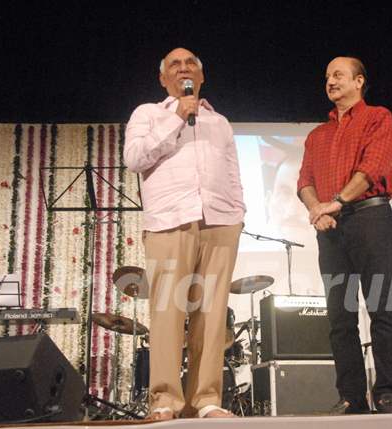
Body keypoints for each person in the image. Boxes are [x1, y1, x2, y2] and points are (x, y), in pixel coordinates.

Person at [124, 47, 245, 420]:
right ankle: (165, 401)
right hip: (168, 222)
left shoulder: (219, 122)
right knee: (168, 313)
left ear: (201, 76)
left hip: (220, 222)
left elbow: (231, 172)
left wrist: (238, 215)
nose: (183, 68)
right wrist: (177, 117)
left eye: (190, 63)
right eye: (174, 65)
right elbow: (134, 159)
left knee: (211, 315)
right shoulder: (148, 114)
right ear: (164, 79)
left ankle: (207, 400)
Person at [297, 56, 392, 414]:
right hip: (331, 229)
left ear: (359, 81)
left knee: (381, 306)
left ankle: (390, 390)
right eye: (327, 75)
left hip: (369, 220)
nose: (331, 81)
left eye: (339, 75)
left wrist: (337, 202)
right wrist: (318, 210)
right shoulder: (318, 135)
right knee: (340, 316)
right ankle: (352, 396)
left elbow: (372, 166)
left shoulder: (378, 117)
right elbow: (304, 182)